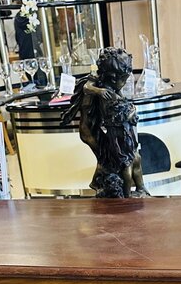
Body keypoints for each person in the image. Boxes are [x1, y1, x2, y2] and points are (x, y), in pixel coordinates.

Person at [62, 47, 149, 198]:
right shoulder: (99, 86)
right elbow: (87, 88)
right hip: (94, 132)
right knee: (114, 162)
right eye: (123, 79)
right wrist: (100, 92)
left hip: (115, 136)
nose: (124, 83)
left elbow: (121, 102)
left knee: (121, 160)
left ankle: (132, 190)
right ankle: (120, 194)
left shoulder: (111, 89)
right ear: (113, 77)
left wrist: (127, 106)